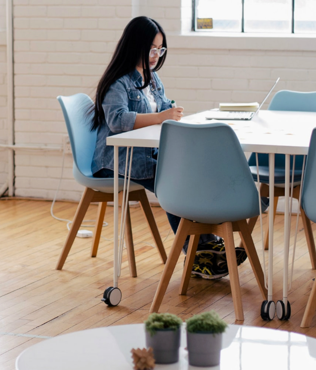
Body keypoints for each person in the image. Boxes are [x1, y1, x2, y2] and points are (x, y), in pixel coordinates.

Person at [90, 16, 246, 279]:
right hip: (115, 161)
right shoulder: (118, 82)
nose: (155, 55)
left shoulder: (153, 79)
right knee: (175, 180)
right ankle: (198, 252)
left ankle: (205, 246)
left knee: (189, 171)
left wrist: (169, 112)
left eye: (160, 49)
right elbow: (117, 121)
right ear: (134, 44)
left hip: (146, 155)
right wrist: (162, 117)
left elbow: (160, 110)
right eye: (151, 48)